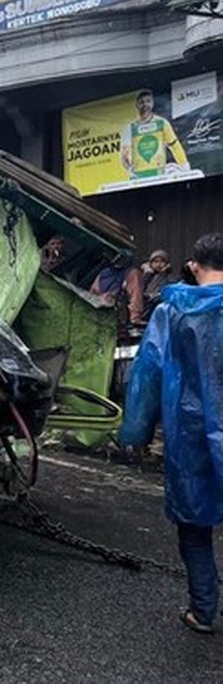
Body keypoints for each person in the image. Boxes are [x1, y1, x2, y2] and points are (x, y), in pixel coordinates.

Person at [119, 231, 223, 634]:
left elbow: (147, 375)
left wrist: (135, 433)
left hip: (191, 435)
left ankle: (202, 611)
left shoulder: (172, 310)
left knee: (195, 528)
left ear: (194, 266)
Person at [120, 89, 189, 181]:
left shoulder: (162, 123)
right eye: (141, 102)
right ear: (136, 105)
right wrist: (130, 170)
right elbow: (124, 156)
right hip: (139, 178)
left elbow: (175, 146)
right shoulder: (130, 128)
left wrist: (185, 168)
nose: (145, 105)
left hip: (160, 176)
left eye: (148, 101)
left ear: (152, 103)